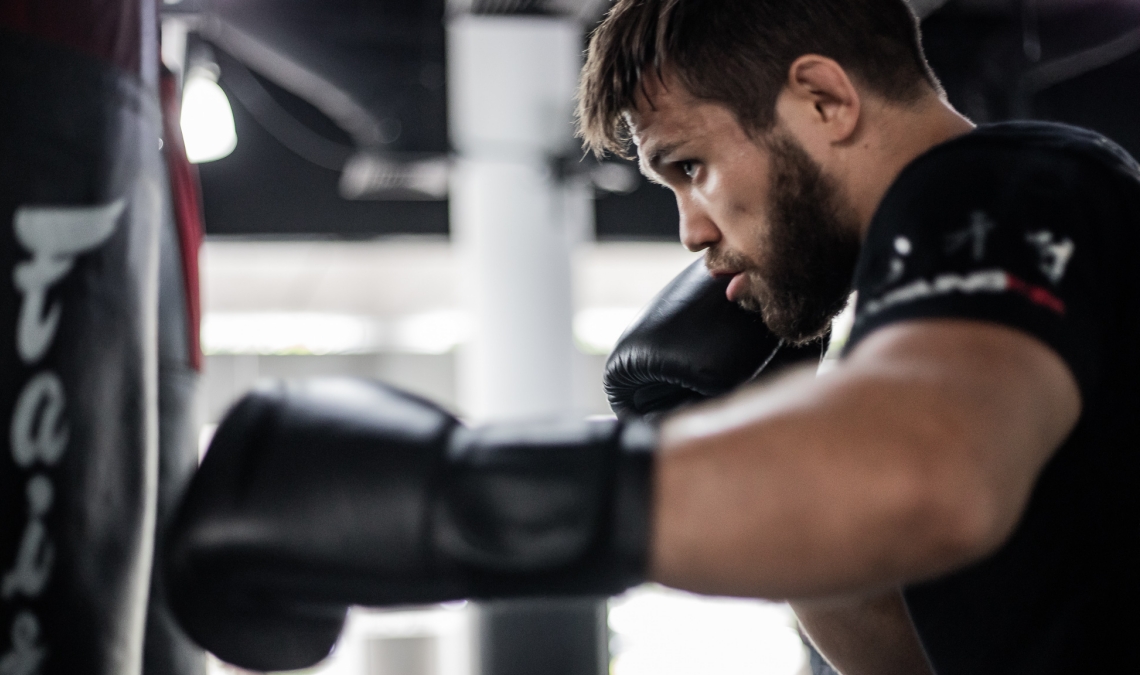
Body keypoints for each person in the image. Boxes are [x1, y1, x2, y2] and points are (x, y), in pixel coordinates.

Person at [164, 1, 1140, 674]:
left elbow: (934, 477)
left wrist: (453, 495)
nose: (691, 231)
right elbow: (919, 658)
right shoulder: (933, 288)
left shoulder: (1000, 186)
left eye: (692, 166)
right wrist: (754, 435)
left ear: (824, 100)